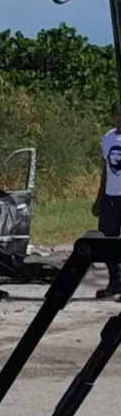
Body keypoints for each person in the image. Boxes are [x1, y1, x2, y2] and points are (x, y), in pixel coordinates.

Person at [93, 100, 121, 300]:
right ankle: (116, 281)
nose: (119, 118)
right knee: (106, 239)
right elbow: (105, 169)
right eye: (117, 114)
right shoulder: (108, 138)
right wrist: (99, 196)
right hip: (111, 197)